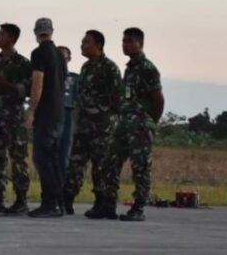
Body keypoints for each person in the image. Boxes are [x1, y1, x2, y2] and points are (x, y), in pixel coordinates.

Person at [102, 28, 165, 222]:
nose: (125, 44)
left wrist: (150, 123)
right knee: (111, 162)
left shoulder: (148, 68)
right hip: (124, 123)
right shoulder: (129, 68)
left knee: (140, 167)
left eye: (129, 41)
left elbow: (158, 100)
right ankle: (108, 206)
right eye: (123, 41)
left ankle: (138, 208)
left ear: (140, 44)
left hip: (139, 125)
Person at [62, 31, 122, 217]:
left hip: (102, 127)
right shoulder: (86, 67)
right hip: (83, 125)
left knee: (101, 165)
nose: (82, 45)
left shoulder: (109, 68)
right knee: (76, 163)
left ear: (98, 45)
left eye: (86, 42)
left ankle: (103, 203)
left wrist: (102, 112)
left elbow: (117, 97)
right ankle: (67, 199)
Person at [0, 23, 32, 214]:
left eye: (1, 34)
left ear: (11, 39)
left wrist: (8, 86)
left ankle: (21, 199)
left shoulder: (23, 63)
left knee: (18, 158)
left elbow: (27, 90)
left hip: (14, 118)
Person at [25, 18, 67, 218]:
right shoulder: (60, 54)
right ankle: (60, 201)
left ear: (36, 32)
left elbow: (37, 83)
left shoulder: (39, 53)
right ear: (51, 31)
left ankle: (50, 203)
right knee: (54, 157)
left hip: (46, 113)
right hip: (59, 113)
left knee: (42, 158)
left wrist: (32, 111)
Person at [58, 46, 79, 173]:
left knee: (64, 151)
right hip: (50, 115)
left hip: (67, 114)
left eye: (63, 56)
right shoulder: (45, 77)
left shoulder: (75, 78)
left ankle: (63, 185)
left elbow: (79, 99)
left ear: (69, 58)